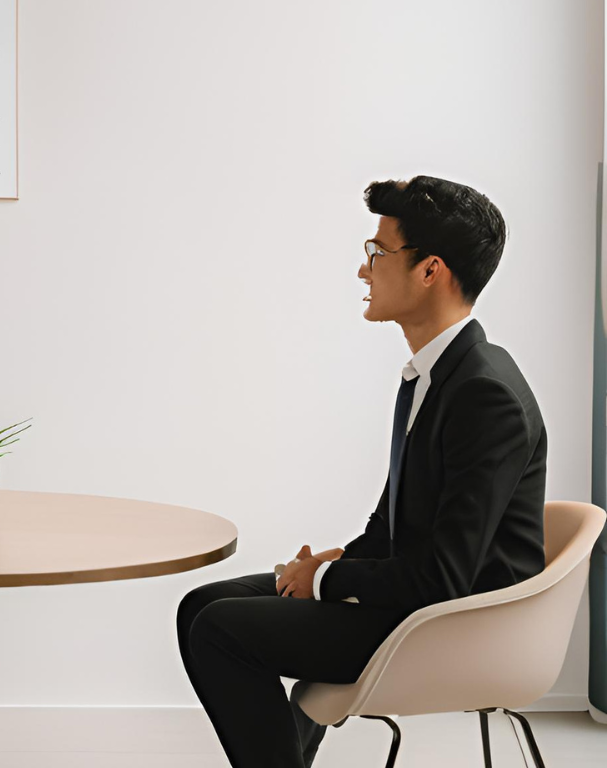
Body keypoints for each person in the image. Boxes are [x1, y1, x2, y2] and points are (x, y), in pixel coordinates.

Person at [176, 176, 546, 767]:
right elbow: (392, 525)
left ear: (431, 271)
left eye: (377, 253)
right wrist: (328, 565)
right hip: (415, 602)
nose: (363, 270)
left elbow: (445, 578)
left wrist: (324, 584)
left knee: (222, 629)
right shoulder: (433, 375)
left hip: (455, 627)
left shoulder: (483, 393)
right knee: (200, 606)